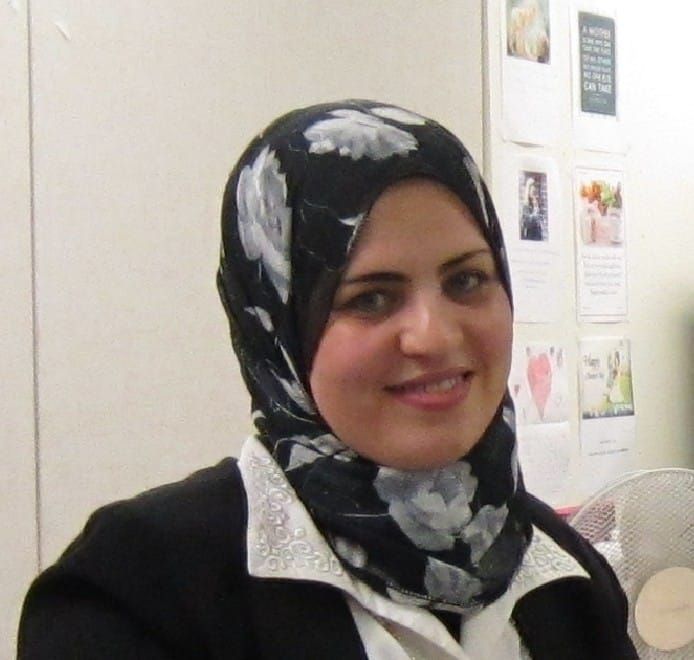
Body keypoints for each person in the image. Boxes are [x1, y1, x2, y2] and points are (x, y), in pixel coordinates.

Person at [18, 100, 637, 659]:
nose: (433, 336)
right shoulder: (136, 588)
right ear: (277, 331)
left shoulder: (568, 578)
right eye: (371, 298)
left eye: (466, 280)